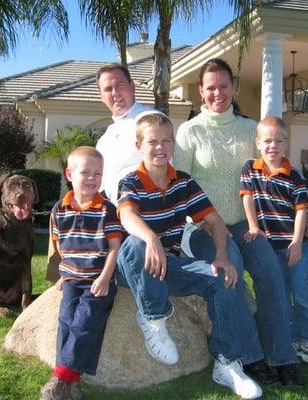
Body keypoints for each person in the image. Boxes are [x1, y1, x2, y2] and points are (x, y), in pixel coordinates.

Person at [174, 58, 308, 386]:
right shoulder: (189, 132)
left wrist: (306, 220)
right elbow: (179, 186)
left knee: (271, 272)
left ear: (233, 88)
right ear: (200, 92)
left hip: (247, 224)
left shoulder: (253, 131)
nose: (217, 93)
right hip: (204, 225)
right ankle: (252, 357)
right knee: (230, 268)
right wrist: (203, 222)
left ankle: (283, 357)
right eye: (210, 87)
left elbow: (283, 177)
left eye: (223, 86)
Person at [116, 113, 264, 400]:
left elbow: (216, 222)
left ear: (173, 144)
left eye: (166, 141)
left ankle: (226, 363)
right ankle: (154, 318)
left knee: (222, 277)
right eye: (152, 142)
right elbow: (127, 215)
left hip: (169, 266)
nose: (160, 147)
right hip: (135, 267)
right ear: (139, 145)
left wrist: (221, 256)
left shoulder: (183, 181)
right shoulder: (131, 181)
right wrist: (150, 239)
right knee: (135, 245)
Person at [240, 116, 308, 363]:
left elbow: (300, 211)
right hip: (269, 248)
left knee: (301, 292)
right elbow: (248, 198)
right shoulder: (250, 169)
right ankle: (289, 336)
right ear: (257, 142)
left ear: (286, 143)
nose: (273, 146)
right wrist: (254, 226)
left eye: (279, 140)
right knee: (281, 293)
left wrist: (297, 243)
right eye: (267, 140)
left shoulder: (294, 176)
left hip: (293, 246)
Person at [40, 147, 123, 400]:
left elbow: (115, 247)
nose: (92, 178)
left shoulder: (106, 209)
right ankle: (72, 381)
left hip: (98, 279)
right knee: (66, 322)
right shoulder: (60, 209)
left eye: (97, 173)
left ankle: (59, 378)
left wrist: (105, 277)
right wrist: (63, 274)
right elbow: (61, 245)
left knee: (85, 322)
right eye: (85, 172)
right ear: (69, 174)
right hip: (72, 279)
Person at [95, 64, 161, 205]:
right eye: (107, 89)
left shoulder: (152, 120)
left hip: (147, 211)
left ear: (132, 87)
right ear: (101, 97)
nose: (115, 93)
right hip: (113, 215)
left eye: (120, 85)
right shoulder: (105, 137)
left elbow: (163, 170)